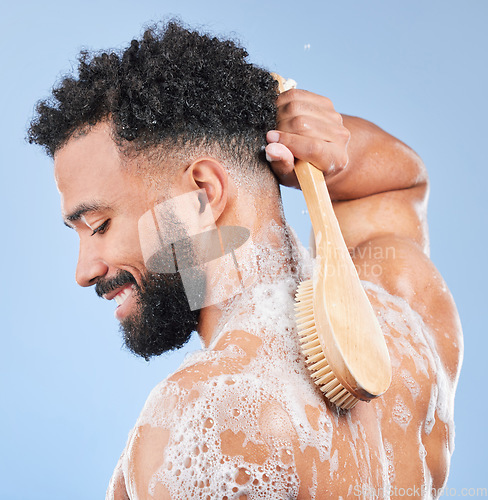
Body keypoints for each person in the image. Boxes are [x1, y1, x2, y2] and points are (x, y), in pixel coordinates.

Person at [28, 20, 462, 499]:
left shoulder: (206, 420)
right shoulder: (405, 312)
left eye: (99, 225)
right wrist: (328, 154)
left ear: (202, 192)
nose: (83, 270)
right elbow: (398, 184)